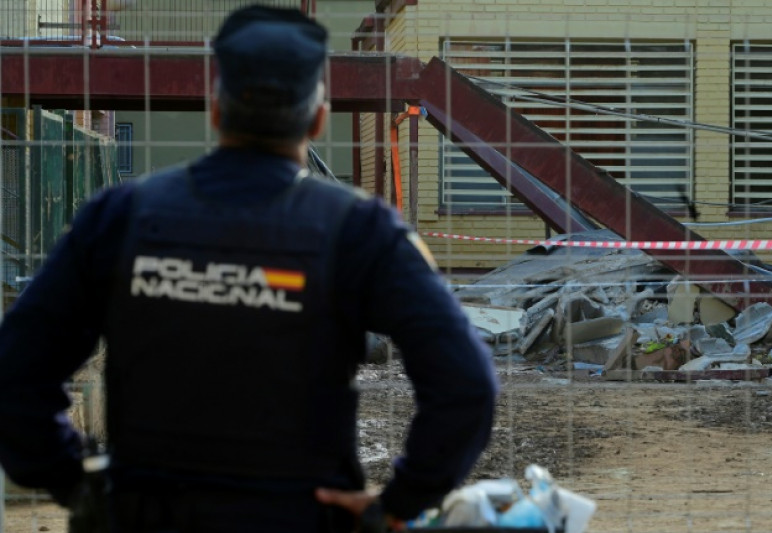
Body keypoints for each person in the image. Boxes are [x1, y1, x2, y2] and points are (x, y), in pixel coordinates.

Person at [0, 5, 498, 532]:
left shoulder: (121, 217)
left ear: (216, 108)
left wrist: (76, 484)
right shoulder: (361, 231)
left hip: (145, 514)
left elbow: (16, 372)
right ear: (318, 117)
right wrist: (397, 503)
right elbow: (466, 385)